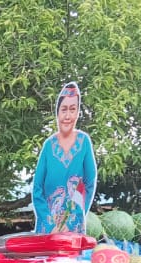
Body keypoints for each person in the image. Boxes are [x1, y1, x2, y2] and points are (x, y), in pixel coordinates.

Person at [32, 81, 97, 234]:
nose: (67, 116)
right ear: (58, 112)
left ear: (77, 113)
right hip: (47, 229)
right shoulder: (49, 145)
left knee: (71, 258)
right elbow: (37, 188)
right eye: (64, 109)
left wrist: (72, 221)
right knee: (43, 259)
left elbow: (89, 184)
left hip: (73, 229)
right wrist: (50, 225)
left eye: (72, 109)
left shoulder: (84, 142)